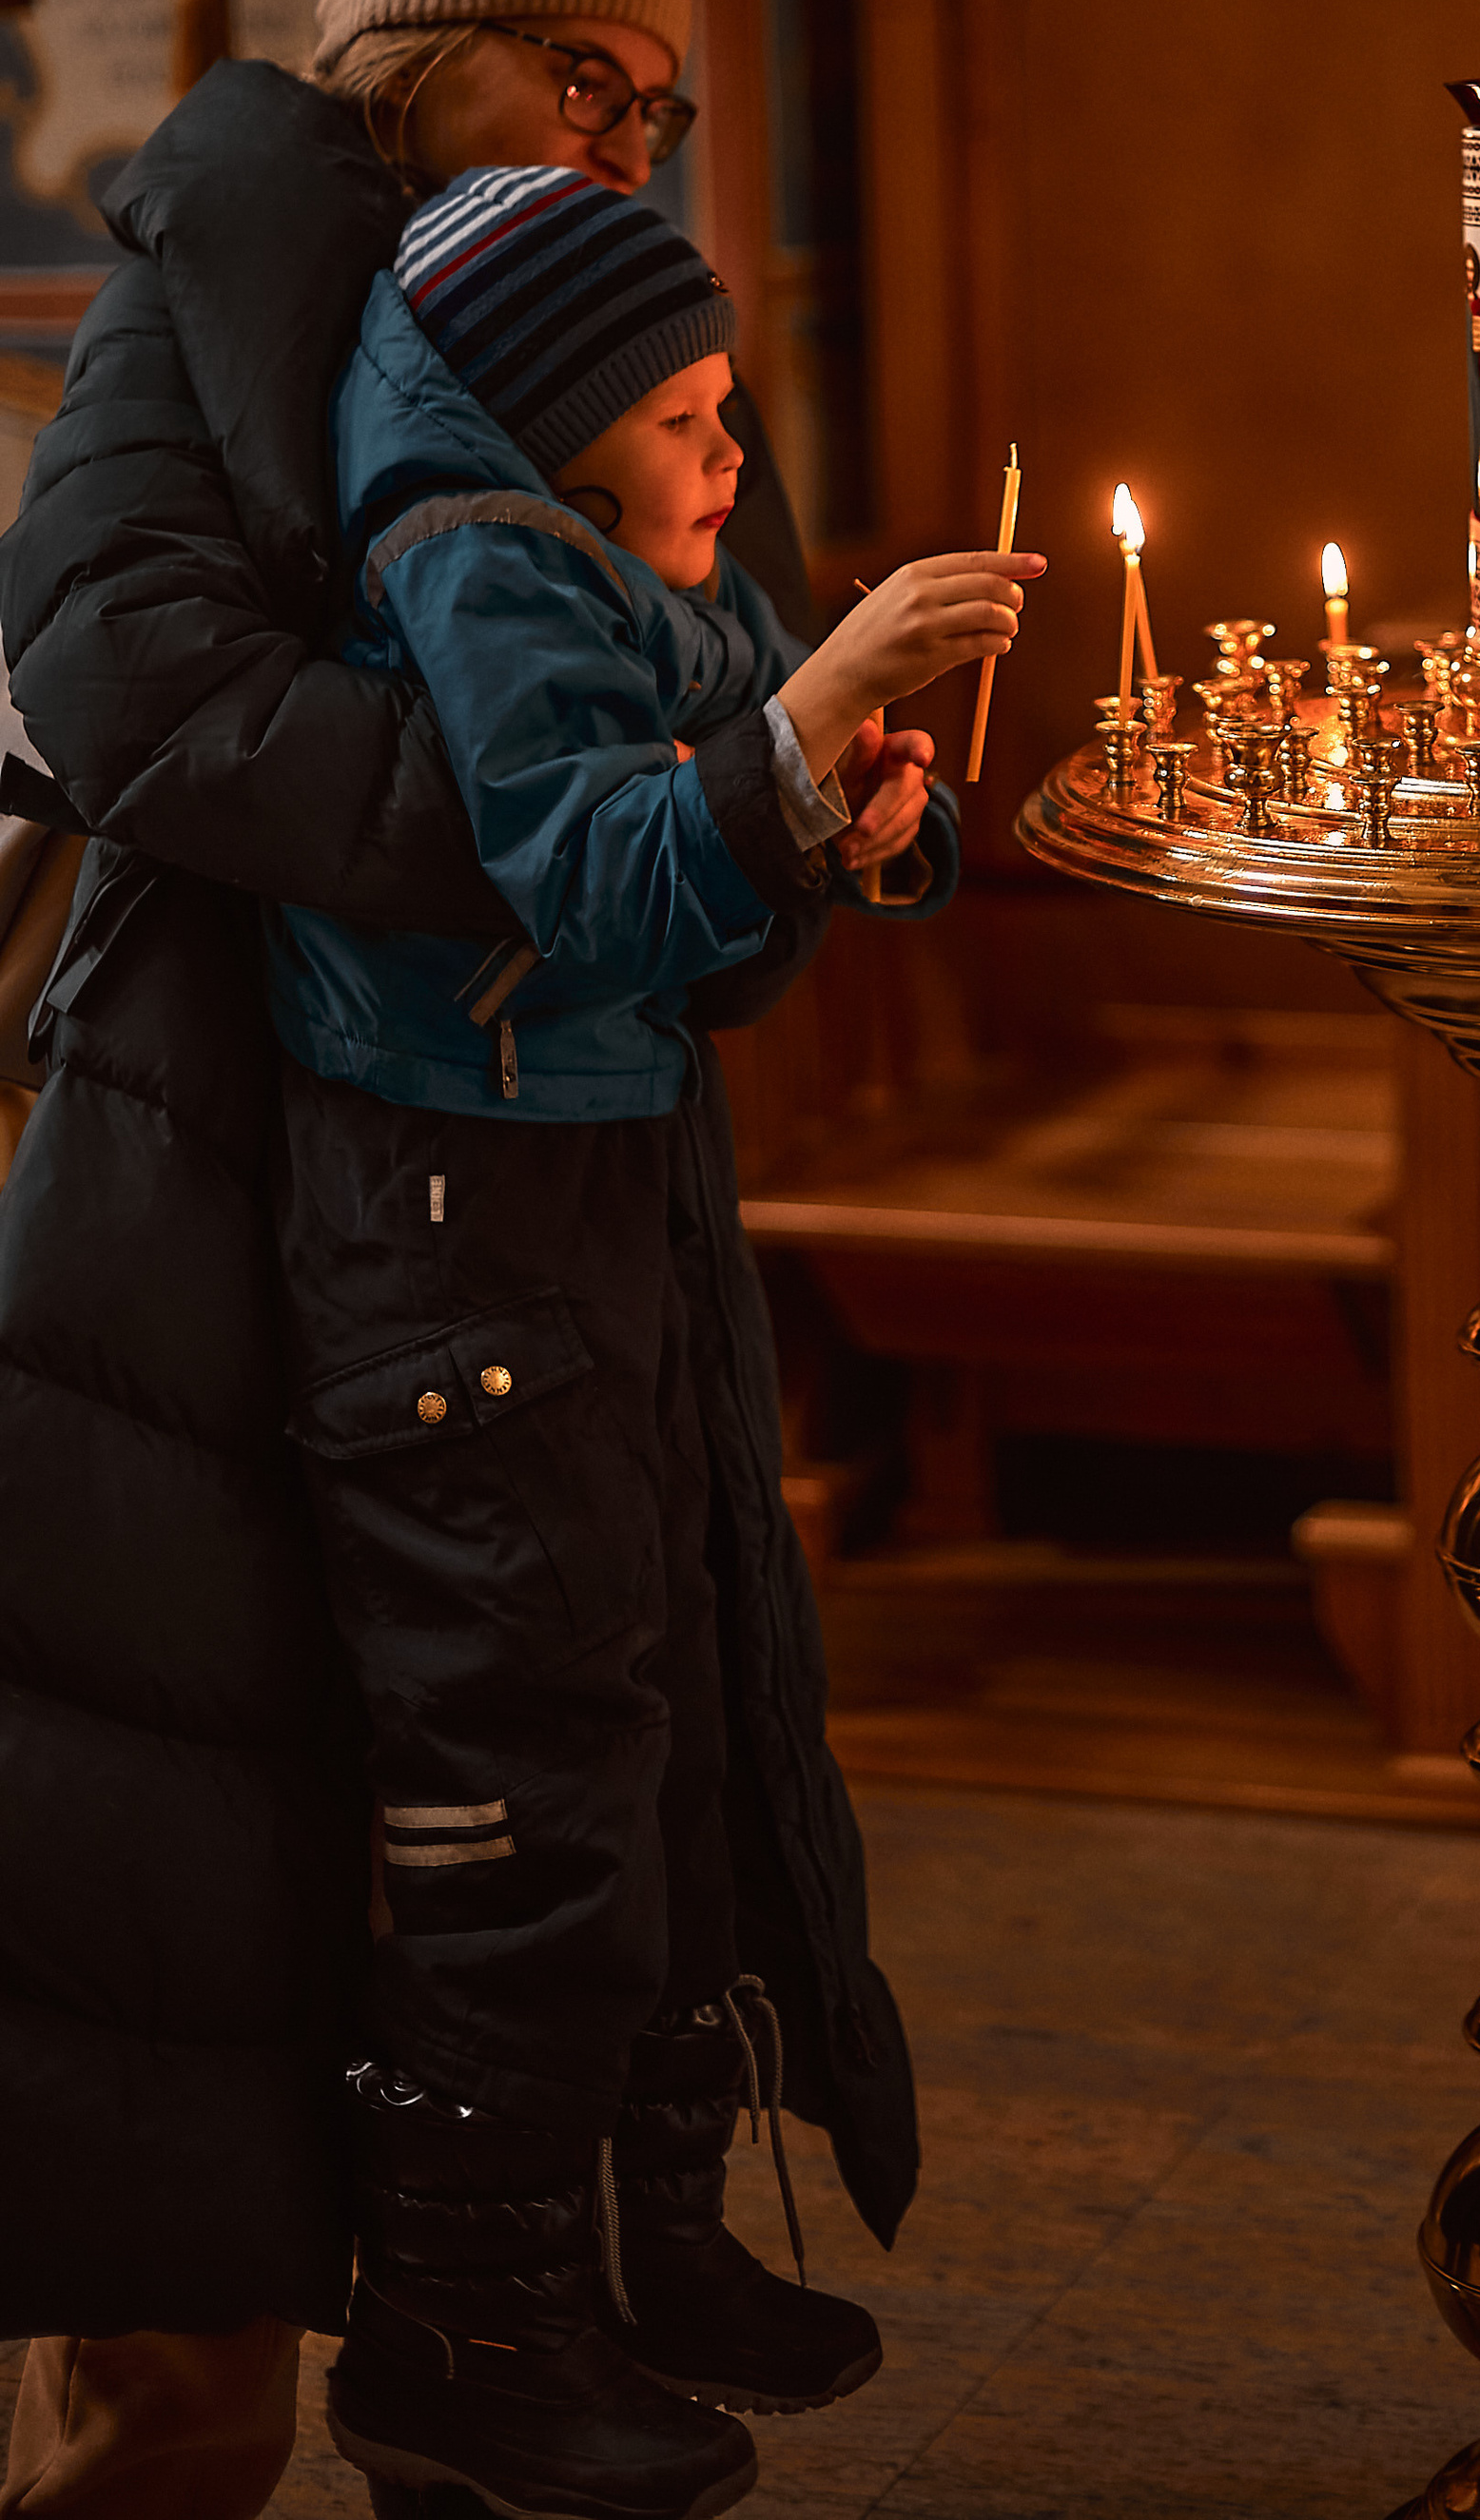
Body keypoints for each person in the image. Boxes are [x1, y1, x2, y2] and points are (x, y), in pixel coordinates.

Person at [0, 0, 981, 2520]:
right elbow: (133, 693)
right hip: (208, 1220)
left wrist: (805, 821)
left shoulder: (598, 327)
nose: (635, 134)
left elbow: (733, 776)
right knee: (184, 1966)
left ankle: (519, 2329)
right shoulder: (218, 290)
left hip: (554, 1207)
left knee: (551, 1816)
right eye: (592, 74)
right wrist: (604, 821)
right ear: (438, 47)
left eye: (664, 97)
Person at [265, 164, 1033, 2518]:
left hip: (579, 1203)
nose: (726, 457)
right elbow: (592, 867)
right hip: (452, 1233)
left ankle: (644, 2247)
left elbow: (717, 818)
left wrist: (851, 807)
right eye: (691, 416)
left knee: (664, 1710)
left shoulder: (609, 549)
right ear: (563, 413)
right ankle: (474, 2330)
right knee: (531, 1774)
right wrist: (802, 729)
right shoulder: (474, 560)